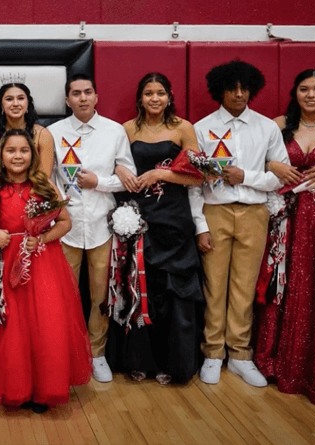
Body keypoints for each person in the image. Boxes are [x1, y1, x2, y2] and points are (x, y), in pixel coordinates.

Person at [188, 59, 290, 387]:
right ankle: (213, 353)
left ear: (252, 89)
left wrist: (245, 176)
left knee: (245, 288)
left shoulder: (267, 128)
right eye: (232, 88)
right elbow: (194, 183)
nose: (239, 94)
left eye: (245, 88)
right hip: (215, 212)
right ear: (220, 90)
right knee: (214, 287)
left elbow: (280, 177)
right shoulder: (201, 129)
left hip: (254, 214)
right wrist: (200, 225)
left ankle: (240, 355)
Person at [0, 129, 91, 412]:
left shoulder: (45, 185)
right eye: (11, 151)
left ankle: (44, 388)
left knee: (45, 324)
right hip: (6, 262)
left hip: (42, 261)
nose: (18, 156)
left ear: (33, 155)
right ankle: (17, 386)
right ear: (1, 156)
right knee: (13, 326)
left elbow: (65, 222)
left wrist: (41, 238)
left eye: (24, 150)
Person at [107, 73, 204, 384]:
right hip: (138, 219)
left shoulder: (183, 128)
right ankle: (138, 360)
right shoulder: (126, 129)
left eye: (160, 93)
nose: (154, 99)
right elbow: (112, 163)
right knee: (139, 290)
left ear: (169, 96)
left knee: (172, 295)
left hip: (174, 220)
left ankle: (171, 363)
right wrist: (120, 167)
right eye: (148, 93)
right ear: (140, 98)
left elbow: (196, 176)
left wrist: (158, 174)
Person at [47, 73, 136, 383]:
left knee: (100, 293)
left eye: (88, 92)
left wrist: (100, 182)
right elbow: (47, 177)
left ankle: (97, 353)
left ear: (97, 96)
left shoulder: (115, 131)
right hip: (66, 227)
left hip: (102, 224)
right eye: (76, 93)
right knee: (65, 294)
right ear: (67, 99)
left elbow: (129, 175)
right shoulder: (53, 133)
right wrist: (58, 201)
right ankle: (68, 353)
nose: (82, 98)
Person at [255, 68, 315, 405]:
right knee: (283, 283)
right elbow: (254, 156)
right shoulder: (279, 124)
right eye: (304, 89)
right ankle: (275, 360)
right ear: (295, 92)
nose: (311, 95)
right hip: (285, 217)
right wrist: (273, 166)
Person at [0, 80, 55, 176]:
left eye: (20, 98)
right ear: (1, 105)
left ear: (28, 103)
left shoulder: (42, 135)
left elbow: (45, 177)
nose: (15, 104)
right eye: (9, 99)